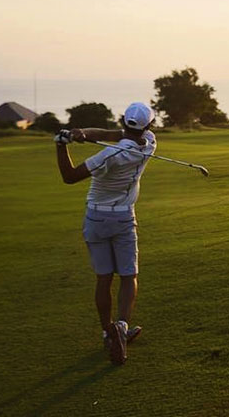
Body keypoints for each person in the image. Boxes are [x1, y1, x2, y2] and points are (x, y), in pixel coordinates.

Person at [54, 101, 157, 366]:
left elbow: (69, 176)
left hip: (96, 218)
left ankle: (108, 333)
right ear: (149, 125)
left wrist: (61, 144)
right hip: (124, 217)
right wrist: (82, 133)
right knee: (128, 276)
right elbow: (114, 134)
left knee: (104, 278)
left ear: (123, 120)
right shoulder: (150, 142)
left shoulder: (109, 156)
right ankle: (121, 326)